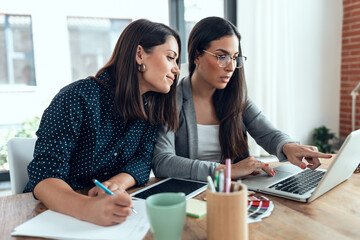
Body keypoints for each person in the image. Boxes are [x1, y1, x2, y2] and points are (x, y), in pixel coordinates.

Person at [24, 19, 181, 226]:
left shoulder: (150, 107)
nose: (177, 69)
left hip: (104, 214)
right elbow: (44, 176)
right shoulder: (76, 97)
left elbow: (143, 161)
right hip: (53, 215)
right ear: (140, 54)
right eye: (171, 58)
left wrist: (116, 183)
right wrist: (87, 209)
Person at [152, 16, 331, 182]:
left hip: (237, 192)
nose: (231, 67)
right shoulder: (171, 99)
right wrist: (225, 170)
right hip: (193, 195)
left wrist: (288, 146)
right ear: (197, 55)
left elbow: (267, 133)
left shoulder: (236, 97)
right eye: (222, 57)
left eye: (235, 58)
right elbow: (163, 162)